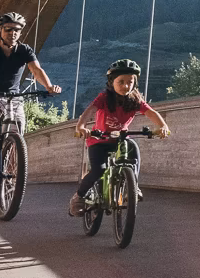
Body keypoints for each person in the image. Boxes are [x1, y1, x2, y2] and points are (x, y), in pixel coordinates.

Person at [70, 59, 173, 216]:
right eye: (121, 82)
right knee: (99, 169)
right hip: (99, 140)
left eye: (130, 82)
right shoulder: (104, 97)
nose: (126, 86)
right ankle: (79, 197)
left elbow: (150, 112)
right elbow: (90, 110)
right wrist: (81, 126)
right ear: (112, 82)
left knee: (133, 149)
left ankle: (133, 186)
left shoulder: (135, 99)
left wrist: (163, 126)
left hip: (120, 139)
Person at [0, 12, 63, 166]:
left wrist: (49, 87)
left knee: (18, 134)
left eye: (17, 30)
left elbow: (37, 70)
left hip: (13, 98)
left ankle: (11, 173)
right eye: (8, 29)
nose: (13, 33)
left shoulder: (25, 50)